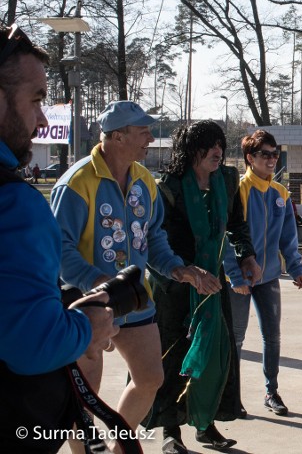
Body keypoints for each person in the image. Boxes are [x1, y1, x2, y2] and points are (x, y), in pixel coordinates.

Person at [51, 101, 220, 452]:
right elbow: (60, 249)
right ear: (117, 136)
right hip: (84, 304)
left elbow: (154, 237)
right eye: (142, 131)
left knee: (149, 379)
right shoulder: (76, 183)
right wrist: (99, 285)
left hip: (135, 301)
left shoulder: (145, 181)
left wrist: (179, 268)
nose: (150, 137)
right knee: (84, 394)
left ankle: (118, 448)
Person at [0, 23, 116, 453]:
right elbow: (33, 344)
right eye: (35, 100)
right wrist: (84, 326)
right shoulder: (15, 204)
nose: (43, 119)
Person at [144, 121, 261, 454]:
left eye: (220, 145)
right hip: (175, 287)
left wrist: (246, 255)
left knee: (215, 355)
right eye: (208, 145)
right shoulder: (169, 187)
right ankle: (171, 432)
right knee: (175, 357)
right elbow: (157, 239)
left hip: (212, 284)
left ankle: (205, 425)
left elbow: (236, 224)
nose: (217, 151)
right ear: (190, 150)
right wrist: (184, 272)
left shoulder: (226, 180)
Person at [224, 130, 302, 417]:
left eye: (275, 154)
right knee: (236, 337)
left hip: (269, 277)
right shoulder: (238, 191)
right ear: (250, 158)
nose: (272, 159)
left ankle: (271, 391)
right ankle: (231, 394)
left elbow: (288, 238)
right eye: (265, 154)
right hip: (240, 279)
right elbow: (228, 238)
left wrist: (296, 267)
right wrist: (235, 277)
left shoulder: (281, 194)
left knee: (272, 336)